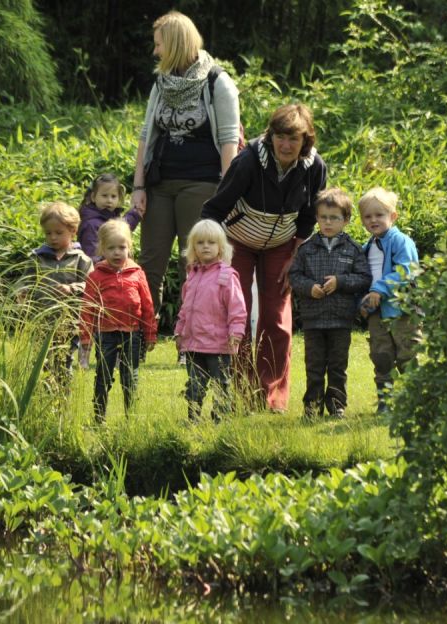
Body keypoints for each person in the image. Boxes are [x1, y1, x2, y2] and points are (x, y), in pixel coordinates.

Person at [200, 103, 327, 412]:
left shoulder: (315, 167)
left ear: (305, 141)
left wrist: (295, 254)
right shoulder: (247, 163)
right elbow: (213, 210)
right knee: (237, 316)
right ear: (271, 137)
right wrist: (212, 256)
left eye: (293, 138)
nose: (285, 145)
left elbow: (310, 216)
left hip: (282, 245)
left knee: (276, 317)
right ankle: (237, 390)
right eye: (280, 136)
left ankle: (270, 398)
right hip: (237, 243)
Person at [132, 10, 242, 316]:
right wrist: (138, 186)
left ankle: (191, 339)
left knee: (193, 263)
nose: (155, 51)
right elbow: (146, 136)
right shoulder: (161, 83)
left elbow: (229, 141)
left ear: (176, 43)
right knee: (150, 262)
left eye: (159, 44)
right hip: (160, 183)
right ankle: (140, 336)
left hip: (202, 183)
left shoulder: (217, 81)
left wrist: (227, 194)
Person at [288, 188, 371, 419]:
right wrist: (309, 288)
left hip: (340, 320)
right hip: (313, 319)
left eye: (334, 218)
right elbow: (294, 276)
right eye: (323, 217)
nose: (328, 222)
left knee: (337, 366)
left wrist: (341, 282)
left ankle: (337, 406)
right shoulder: (306, 249)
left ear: (346, 220)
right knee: (314, 367)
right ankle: (312, 408)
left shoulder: (353, 250)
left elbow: (364, 278)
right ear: (316, 218)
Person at [79, 219, 157, 423]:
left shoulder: (137, 273)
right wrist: (85, 338)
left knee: (130, 376)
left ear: (129, 247)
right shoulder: (96, 276)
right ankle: (98, 418)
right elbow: (87, 309)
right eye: (110, 248)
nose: (116, 253)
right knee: (103, 376)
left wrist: (150, 334)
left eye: (121, 247)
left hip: (132, 333)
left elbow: (147, 305)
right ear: (102, 248)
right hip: (105, 334)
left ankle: (131, 417)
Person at [174, 220, 247, 422]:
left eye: (211, 242)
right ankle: (193, 417)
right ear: (193, 247)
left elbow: (237, 310)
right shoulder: (192, 276)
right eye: (200, 243)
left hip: (219, 344)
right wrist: (179, 333)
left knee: (221, 383)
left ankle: (220, 419)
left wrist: (236, 334)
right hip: (194, 343)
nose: (206, 246)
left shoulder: (226, 276)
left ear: (221, 247)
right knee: (194, 384)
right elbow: (185, 309)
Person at [358, 187, 422, 414]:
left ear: (392, 216)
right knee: (381, 356)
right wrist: (363, 303)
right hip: (377, 313)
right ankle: (385, 402)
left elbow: (407, 270)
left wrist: (378, 290)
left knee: (408, 355)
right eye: (368, 216)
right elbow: (364, 277)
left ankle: (415, 401)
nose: (373, 220)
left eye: (379, 215)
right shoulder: (368, 246)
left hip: (402, 309)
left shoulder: (400, 241)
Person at [25, 202, 94, 387]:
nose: (53, 237)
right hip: (41, 319)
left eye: (58, 233)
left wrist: (72, 288)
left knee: (64, 360)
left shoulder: (80, 259)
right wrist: (22, 293)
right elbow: (26, 281)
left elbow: (93, 285)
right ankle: (44, 397)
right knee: (42, 362)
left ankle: (62, 399)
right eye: (48, 233)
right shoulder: (37, 258)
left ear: (73, 231)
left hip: (68, 321)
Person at [79, 173, 143, 262]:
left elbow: (120, 230)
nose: (109, 200)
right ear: (93, 197)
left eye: (113, 196)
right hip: (101, 271)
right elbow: (92, 256)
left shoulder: (110, 216)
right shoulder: (91, 224)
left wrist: (135, 214)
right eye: (104, 196)